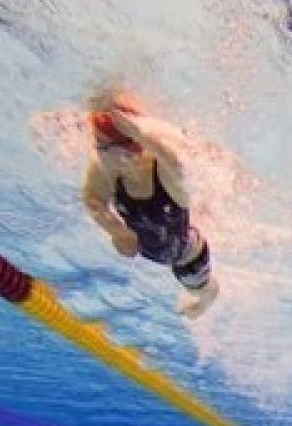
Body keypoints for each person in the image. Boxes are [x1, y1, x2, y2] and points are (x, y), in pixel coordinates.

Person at [81, 96, 219, 316]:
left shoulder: (163, 176)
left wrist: (140, 135)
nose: (96, 153)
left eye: (101, 147)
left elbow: (179, 165)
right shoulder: (105, 168)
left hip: (185, 254)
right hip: (153, 248)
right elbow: (92, 200)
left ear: (130, 152)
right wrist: (115, 229)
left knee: (203, 289)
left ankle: (207, 297)